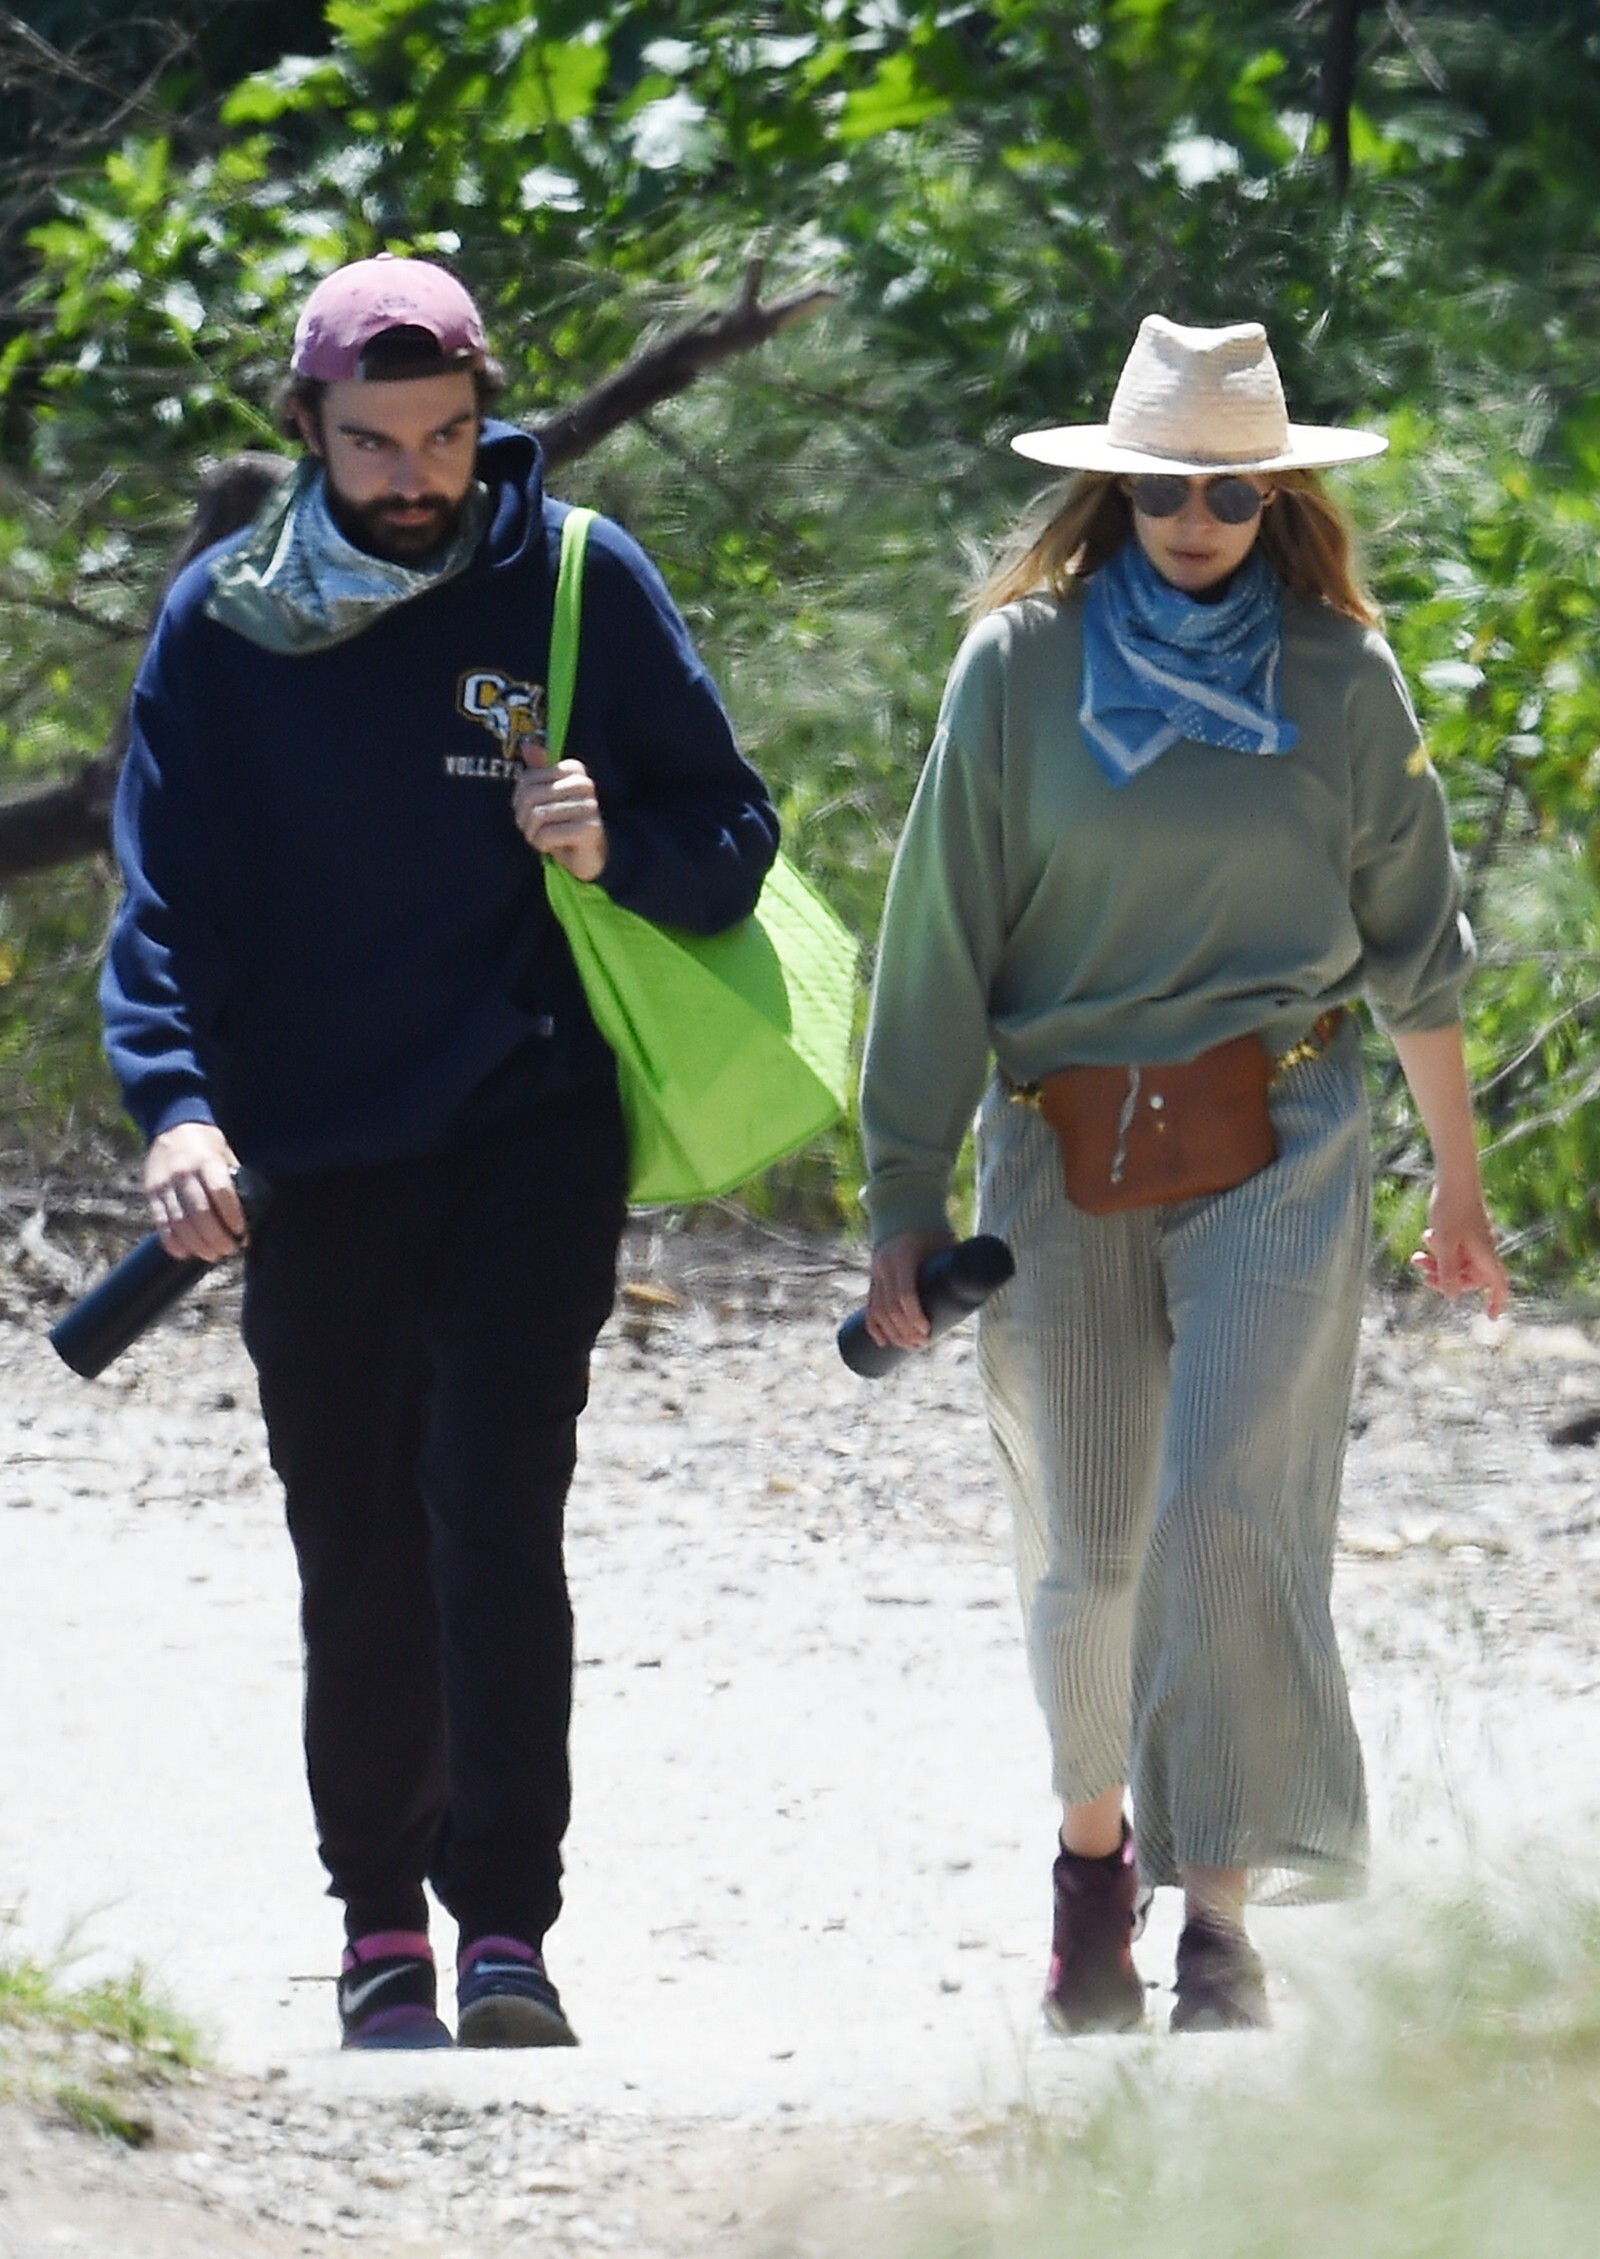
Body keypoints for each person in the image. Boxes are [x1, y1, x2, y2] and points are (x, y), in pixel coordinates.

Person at [101, 256, 777, 2050]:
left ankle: (508, 1931)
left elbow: (733, 833)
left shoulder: (575, 580)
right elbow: (162, 903)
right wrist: (177, 1107)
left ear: (487, 417)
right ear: (308, 432)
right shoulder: (225, 627)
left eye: (448, 438)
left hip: (524, 1133)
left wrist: (615, 843)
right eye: (374, 444)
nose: (416, 478)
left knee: (492, 1514)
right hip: (312, 1152)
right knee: (358, 1538)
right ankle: (380, 1926)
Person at [859, 315, 1508, 2033]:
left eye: (1231, 491)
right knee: (1088, 1544)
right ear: (1118, 497)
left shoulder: (1340, 678)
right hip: (1058, 1142)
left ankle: (1216, 1913)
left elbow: (1416, 950)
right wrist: (902, 1202)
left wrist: (1457, 1187)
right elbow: (936, 944)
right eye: (1165, 492)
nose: (1198, 519)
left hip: (1282, 1137)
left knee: (1225, 1507)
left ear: (1275, 496)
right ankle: (1096, 1864)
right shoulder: (1017, 669)